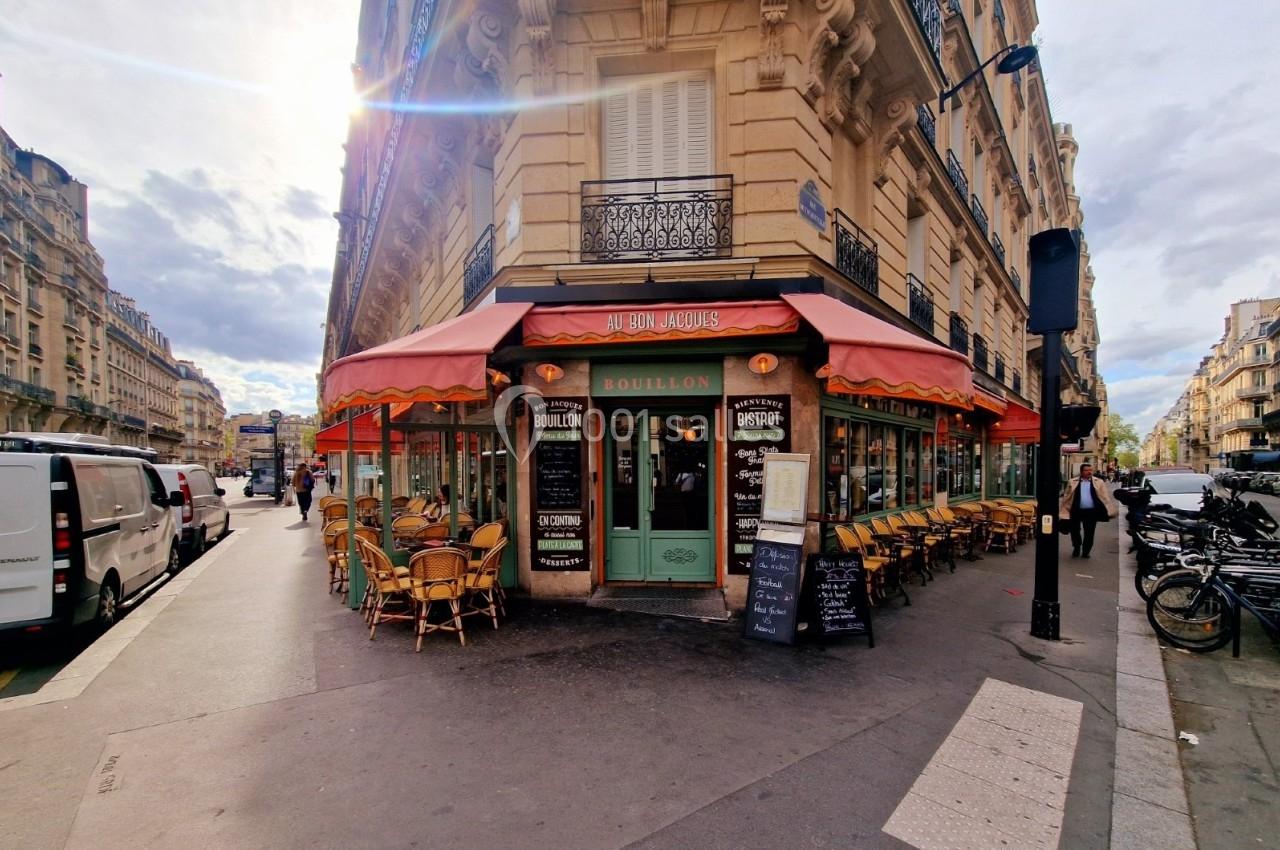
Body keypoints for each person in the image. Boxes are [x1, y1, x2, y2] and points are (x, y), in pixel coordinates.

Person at [1058, 462, 1116, 558]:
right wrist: (1064, 508)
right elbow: (1067, 496)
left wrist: (1108, 508)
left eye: (1090, 470)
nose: (1089, 472)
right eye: (1086, 470)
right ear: (1081, 472)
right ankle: (1076, 547)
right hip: (1076, 510)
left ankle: (1086, 551)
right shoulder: (1072, 482)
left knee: (1089, 532)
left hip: (1091, 511)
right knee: (1074, 531)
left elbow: (1105, 497)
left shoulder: (1099, 482)